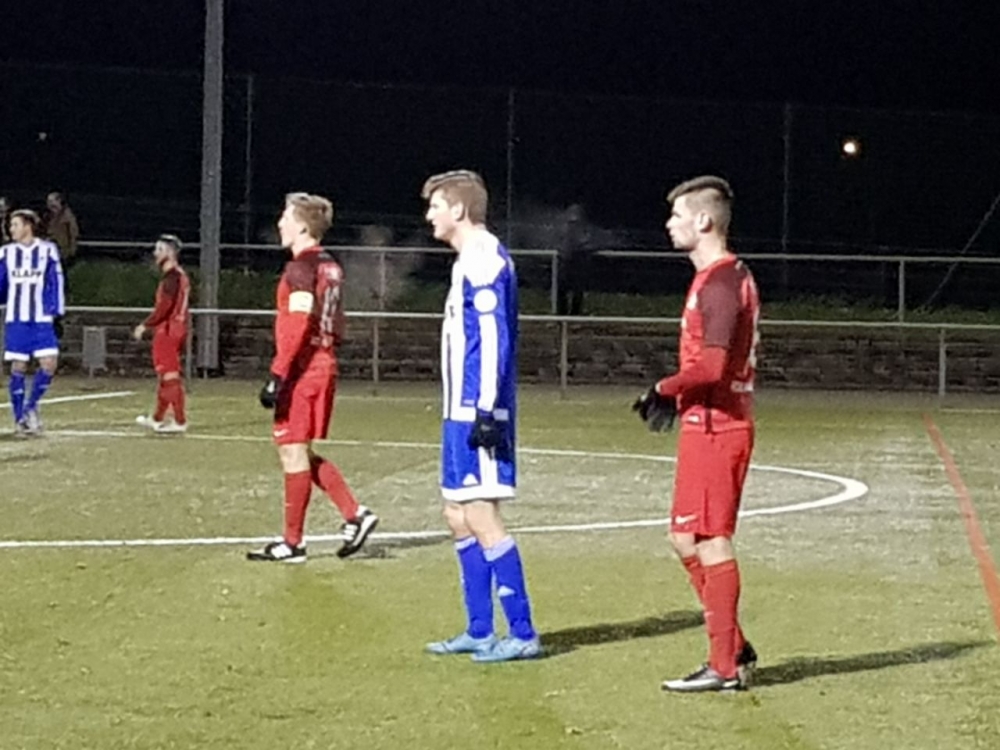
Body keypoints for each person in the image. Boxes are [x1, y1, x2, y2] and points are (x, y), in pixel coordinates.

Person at [636, 175, 760, 692]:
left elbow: (711, 367)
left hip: (717, 425)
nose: (669, 224)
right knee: (684, 537)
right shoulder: (717, 277)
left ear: (704, 220)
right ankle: (733, 646)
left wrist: (663, 387)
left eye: (677, 215)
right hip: (704, 423)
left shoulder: (722, 283)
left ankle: (723, 665)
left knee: (710, 540)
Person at [421, 170, 540, 663]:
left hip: (479, 411)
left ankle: (523, 633)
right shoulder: (467, 259)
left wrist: (487, 409)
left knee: (481, 514)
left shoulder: (484, 258)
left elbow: (493, 339)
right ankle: (479, 628)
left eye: (435, 205)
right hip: (460, 411)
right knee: (457, 514)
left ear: (459, 209)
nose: (429, 215)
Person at [247, 192, 379, 563]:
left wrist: (278, 373)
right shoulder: (330, 264)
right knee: (299, 450)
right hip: (323, 362)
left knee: (291, 450)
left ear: (303, 226)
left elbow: (299, 320)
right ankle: (354, 514)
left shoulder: (300, 268)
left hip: (303, 368)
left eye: (286, 217)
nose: (280, 223)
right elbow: (336, 320)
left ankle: (294, 542)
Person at [0, 209, 65, 436]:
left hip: (41, 319)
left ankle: (30, 407)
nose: (11, 229)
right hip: (17, 319)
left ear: (28, 226)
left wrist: (56, 310)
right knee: (18, 366)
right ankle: (20, 419)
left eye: (15, 224)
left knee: (49, 363)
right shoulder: (6, 253)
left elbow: (55, 280)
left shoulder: (47, 250)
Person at [132, 234, 190, 434]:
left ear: (170, 252)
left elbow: (164, 307)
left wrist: (145, 325)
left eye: (159, 249)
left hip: (168, 330)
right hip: (176, 328)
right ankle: (157, 417)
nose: (155, 253)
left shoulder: (172, 278)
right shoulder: (179, 276)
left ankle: (180, 421)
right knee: (165, 376)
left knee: (170, 376)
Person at [555, 203, 591, 316]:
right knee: (563, 290)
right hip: (567, 262)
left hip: (575, 263)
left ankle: (573, 313)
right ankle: (563, 314)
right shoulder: (566, 231)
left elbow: (586, 244)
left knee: (576, 290)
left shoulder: (581, 232)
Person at [44, 192, 80, 268]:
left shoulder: (67, 216)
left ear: (59, 201)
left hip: (62, 250)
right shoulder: (47, 216)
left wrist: (71, 250)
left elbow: (73, 233)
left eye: (51, 201)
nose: (49, 204)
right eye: (48, 202)